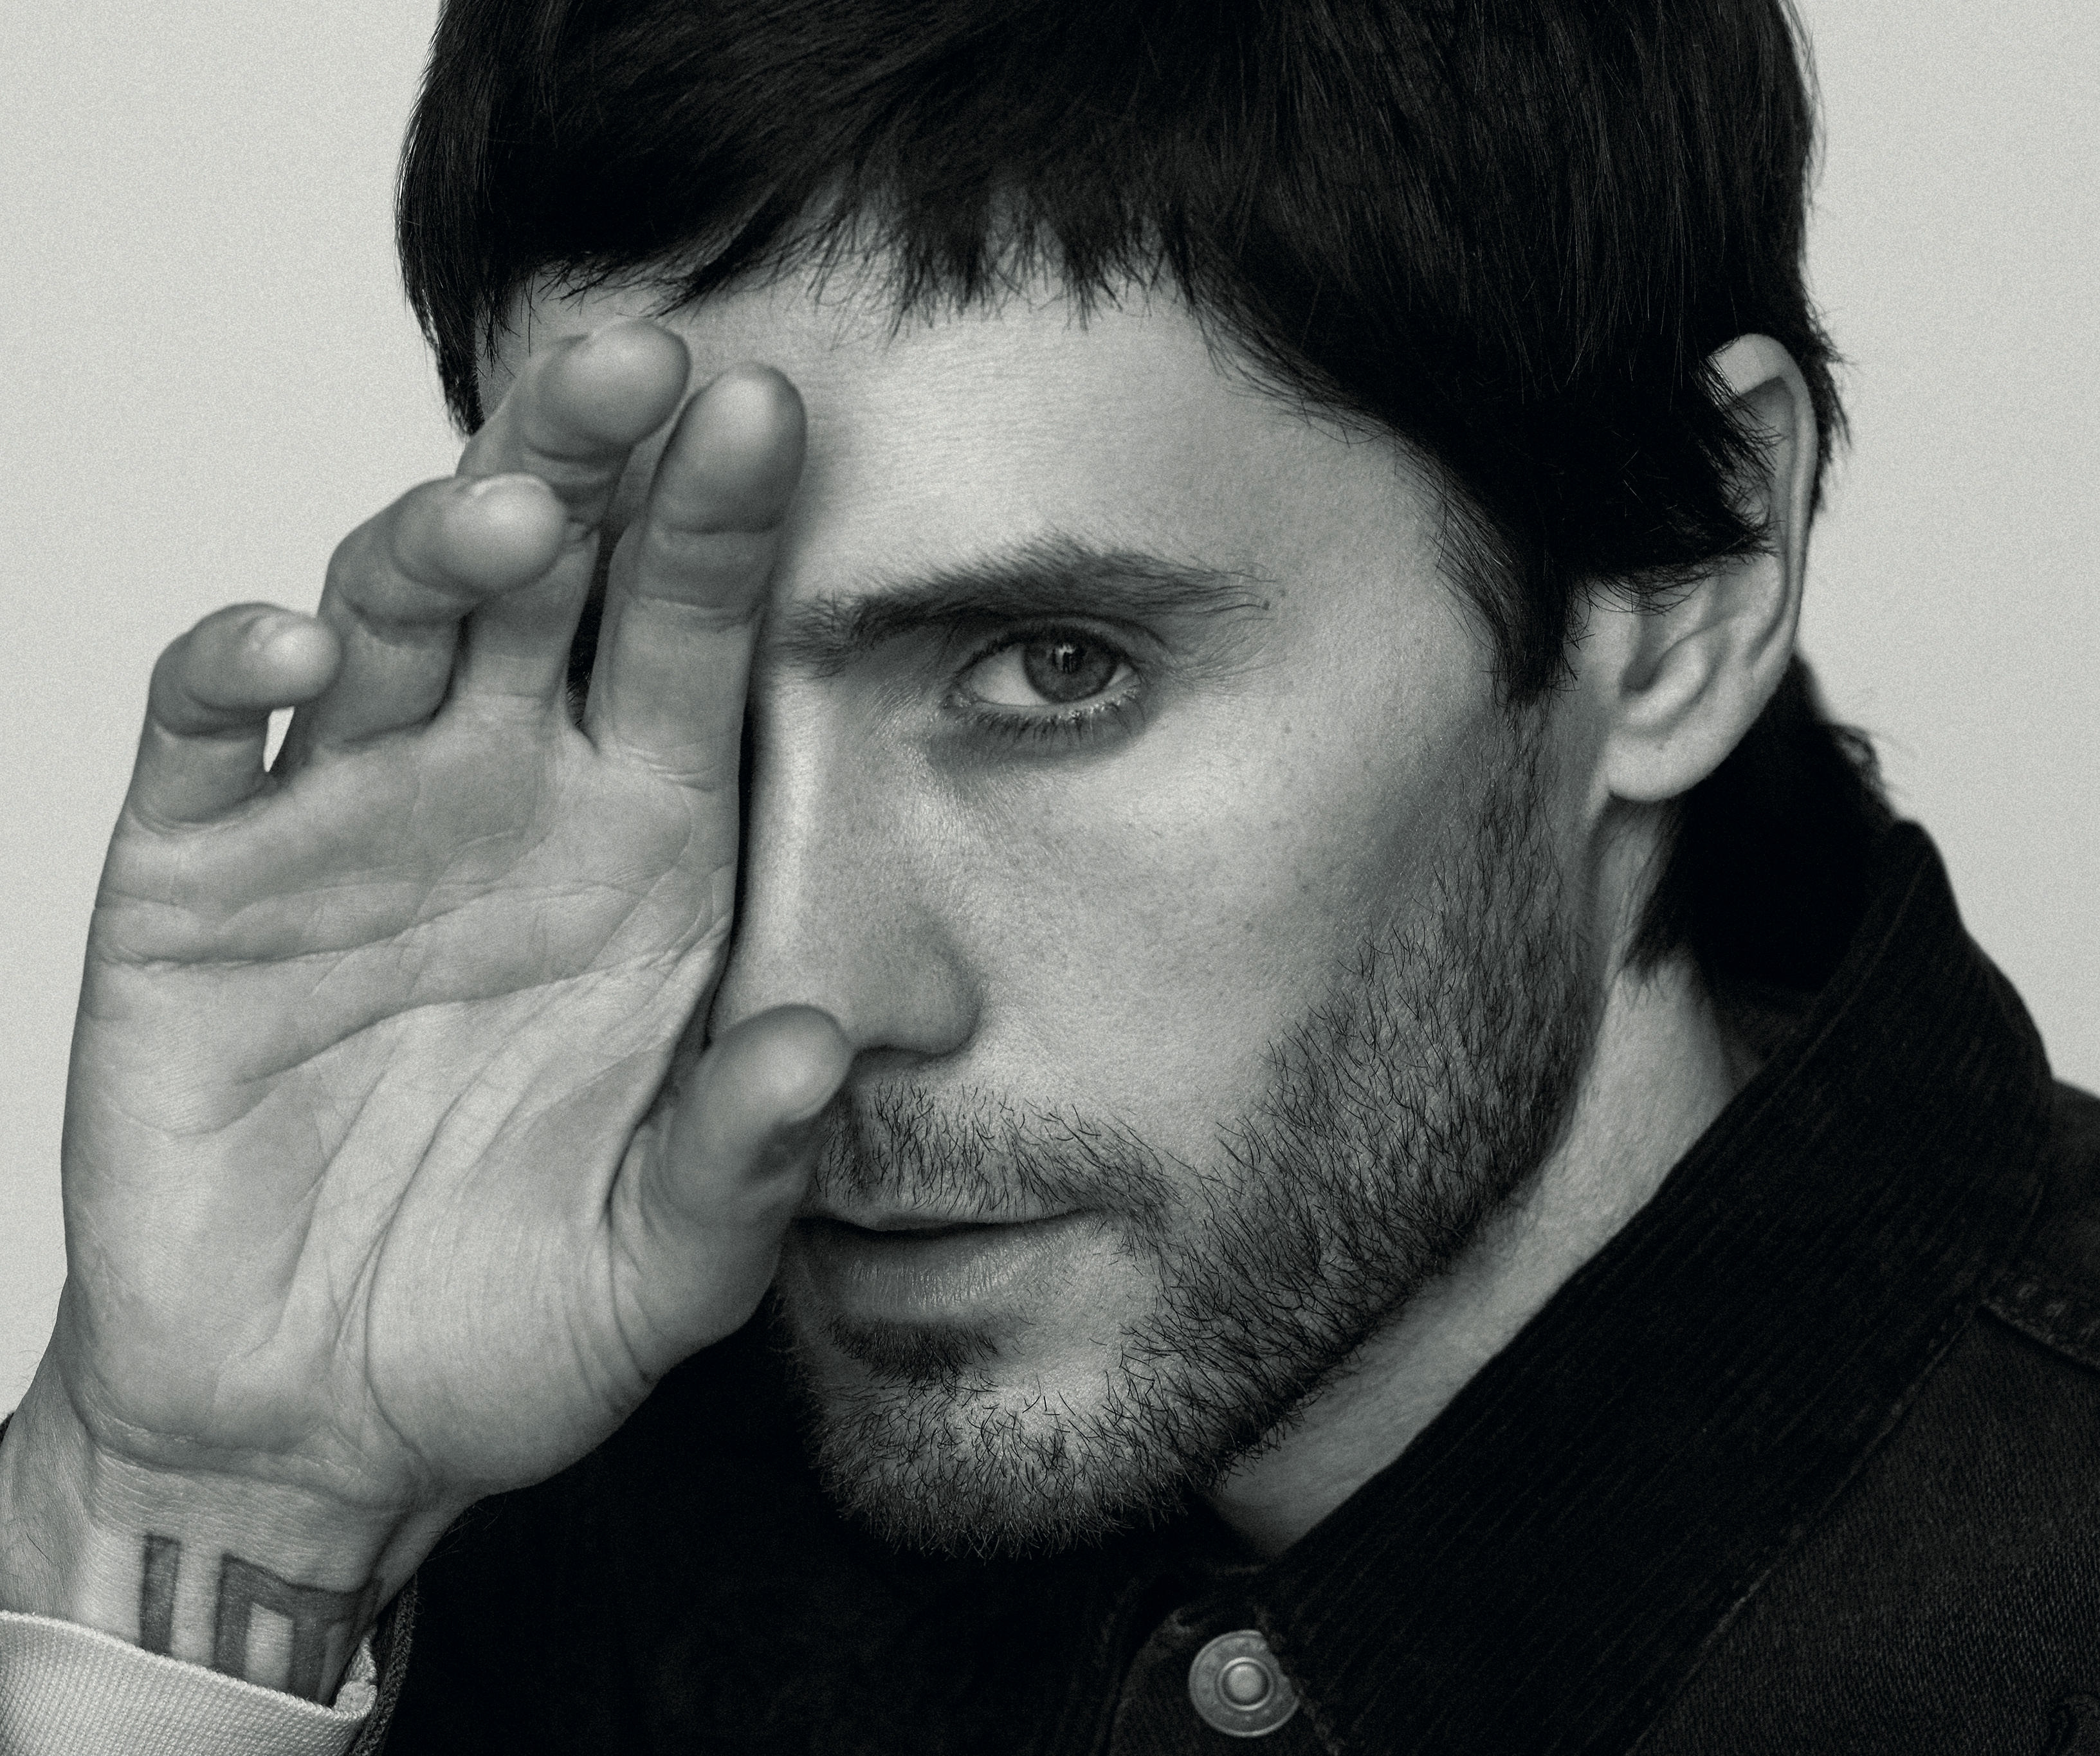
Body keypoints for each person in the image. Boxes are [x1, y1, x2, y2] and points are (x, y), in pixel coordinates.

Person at [1, 0, 2095, 1750]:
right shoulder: (485, 1482)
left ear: (1679, 587)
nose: (787, 1001)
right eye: (674, 685)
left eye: (1052, 670)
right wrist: (208, 1522)